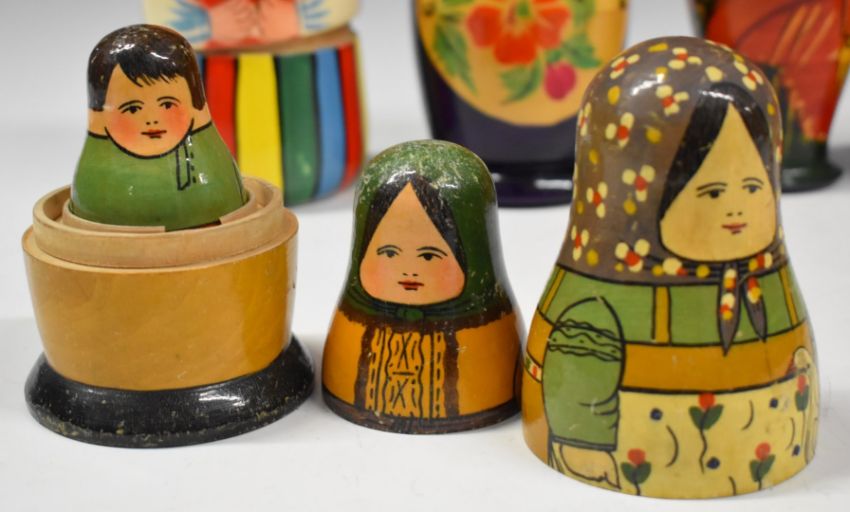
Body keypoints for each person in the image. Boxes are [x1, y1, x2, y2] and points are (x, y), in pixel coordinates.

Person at [522, 37, 819, 498]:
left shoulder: (763, 289)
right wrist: (586, 445)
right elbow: (579, 358)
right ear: (648, 200)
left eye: (752, 186)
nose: (736, 209)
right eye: (712, 192)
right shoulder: (598, 310)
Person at [323, 140, 522, 434]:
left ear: (468, 255)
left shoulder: (480, 337)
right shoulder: (355, 331)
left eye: (429, 256)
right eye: (389, 253)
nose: (409, 270)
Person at [71, 24, 246, 231]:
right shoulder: (96, 178)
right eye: (133, 108)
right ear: (99, 115)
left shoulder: (207, 163)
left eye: (167, 105)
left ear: (196, 105)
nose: (151, 120)